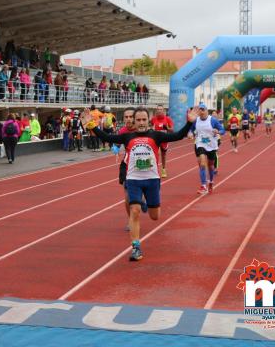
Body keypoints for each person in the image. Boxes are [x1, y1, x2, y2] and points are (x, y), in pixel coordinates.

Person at [80, 106, 199, 261]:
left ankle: (145, 203)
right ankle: (136, 247)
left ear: (147, 121)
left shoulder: (156, 135)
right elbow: (107, 137)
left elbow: (178, 136)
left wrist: (189, 123)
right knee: (134, 210)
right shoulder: (127, 137)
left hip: (152, 181)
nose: (141, 123)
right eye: (138, 120)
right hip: (134, 180)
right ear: (134, 122)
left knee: (154, 216)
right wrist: (92, 125)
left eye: (144, 120)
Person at [188, 103, 225, 195]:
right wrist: (190, 133)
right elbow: (191, 129)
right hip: (200, 144)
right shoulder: (196, 121)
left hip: (211, 145)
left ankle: (211, 182)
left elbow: (223, 130)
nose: (201, 111)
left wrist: (218, 131)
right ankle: (203, 185)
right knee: (202, 163)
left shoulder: (213, 120)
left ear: (207, 111)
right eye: (200, 110)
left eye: (203, 109)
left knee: (211, 166)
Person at [150, 104, 174, 178]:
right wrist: (152, 129)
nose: (159, 111)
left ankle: (163, 169)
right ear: (156, 111)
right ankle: (154, 170)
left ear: (163, 111)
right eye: (158, 109)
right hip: (156, 139)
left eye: (161, 109)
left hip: (164, 139)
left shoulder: (168, 119)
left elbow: (172, 130)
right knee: (155, 154)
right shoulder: (153, 119)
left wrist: (167, 128)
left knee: (163, 155)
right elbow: (150, 126)